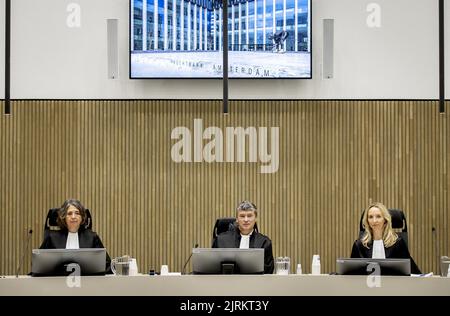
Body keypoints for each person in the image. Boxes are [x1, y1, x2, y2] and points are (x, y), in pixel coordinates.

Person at [39, 199, 111, 274]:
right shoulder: (52, 238)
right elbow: (39, 263)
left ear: (82, 217)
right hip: (57, 281)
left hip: (87, 282)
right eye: (69, 213)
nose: (73, 217)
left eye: (77, 213)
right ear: (64, 217)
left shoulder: (92, 237)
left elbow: (107, 264)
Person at [351, 202, 421, 274]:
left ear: (385, 219)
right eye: (370, 217)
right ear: (367, 221)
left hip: (393, 283)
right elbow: (351, 272)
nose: (374, 221)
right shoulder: (359, 245)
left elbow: (410, 269)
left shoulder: (398, 243)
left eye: (378, 216)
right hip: (366, 284)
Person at [212, 200, 274, 274]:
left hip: (255, 283)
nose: (246, 220)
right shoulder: (221, 240)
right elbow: (213, 268)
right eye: (242, 216)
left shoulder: (264, 242)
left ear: (256, 218)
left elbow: (268, 272)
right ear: (237, 219)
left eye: (250, 216)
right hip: (228, 283)